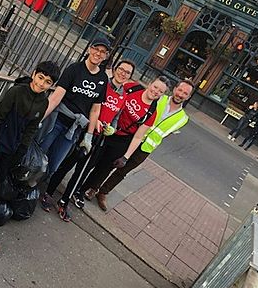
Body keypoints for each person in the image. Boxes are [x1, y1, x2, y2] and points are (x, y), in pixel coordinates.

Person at [41, 60, 135, 221]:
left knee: (81, 172)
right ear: (114, 69)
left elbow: (115, 118)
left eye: (127, 72)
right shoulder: (102, 84)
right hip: (83, 130)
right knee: (65, 163)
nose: (123, 73)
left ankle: (64, 201)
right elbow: (91, 105)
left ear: (130, 77)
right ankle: (48, 192)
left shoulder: (124, 96)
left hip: (98, 138)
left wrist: (111, 128)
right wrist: (94, 122)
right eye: (121, 69)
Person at [0, 61, 61, 214]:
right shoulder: (17, 92)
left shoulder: (43, 103)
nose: (41, 84)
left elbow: (31, 128)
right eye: (40, 78)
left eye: (47, 82)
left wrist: (21, 150)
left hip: (13, 148)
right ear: (33, 74)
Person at [37, 38, 110, 218]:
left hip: (75, 129)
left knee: (54, 163)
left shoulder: (102, 79)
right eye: (96, 49)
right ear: (90, 49)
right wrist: (39, 118)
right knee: (39, 153)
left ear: (106, 56)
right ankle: (22, 185)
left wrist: (89, 136)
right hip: (58, 120)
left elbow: (95, 110)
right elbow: (56, 97)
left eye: (103, 52)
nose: (98, 53)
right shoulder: (74, 69)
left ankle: (36, 190)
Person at [90, 79, 194, 205]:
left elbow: (168, 133)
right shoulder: (159, 97)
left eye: (185, 93)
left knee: (123, 171)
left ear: (188, 96)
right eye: (180, 90)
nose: (181, 94)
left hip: (146, 148)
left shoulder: (183, 119)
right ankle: (93, 188)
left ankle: (103, 192)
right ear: (175, 89)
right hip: (132, 138)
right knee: (110, 164)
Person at [82, 76, 171, 211]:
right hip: (106, 130)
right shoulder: (133, 88)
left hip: (122, 139)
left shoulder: (152, 112)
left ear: (163, 95)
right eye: (155, 87)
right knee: (91, 160)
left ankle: (83, 190)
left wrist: (126, 157)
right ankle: (75, 184)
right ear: (150, 84)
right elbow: (114, 95)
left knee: (103, 168)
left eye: (160, 91)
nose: (156, 92)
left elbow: (138, 136)